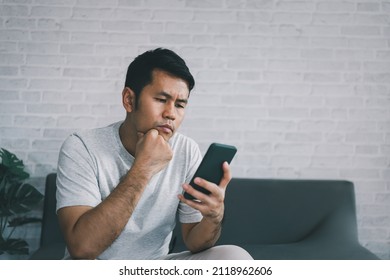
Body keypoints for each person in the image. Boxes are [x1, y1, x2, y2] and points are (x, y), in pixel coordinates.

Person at [56, 48, 253, 260]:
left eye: (179, 105)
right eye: (161, 99)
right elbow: (82, 248)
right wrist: (143, 168)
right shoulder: (82, 147)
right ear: (129, 100)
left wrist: (214, 217)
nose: (171, 113)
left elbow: (195, 242)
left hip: (154, 266)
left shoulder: (186, 150)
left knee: (234, 256)